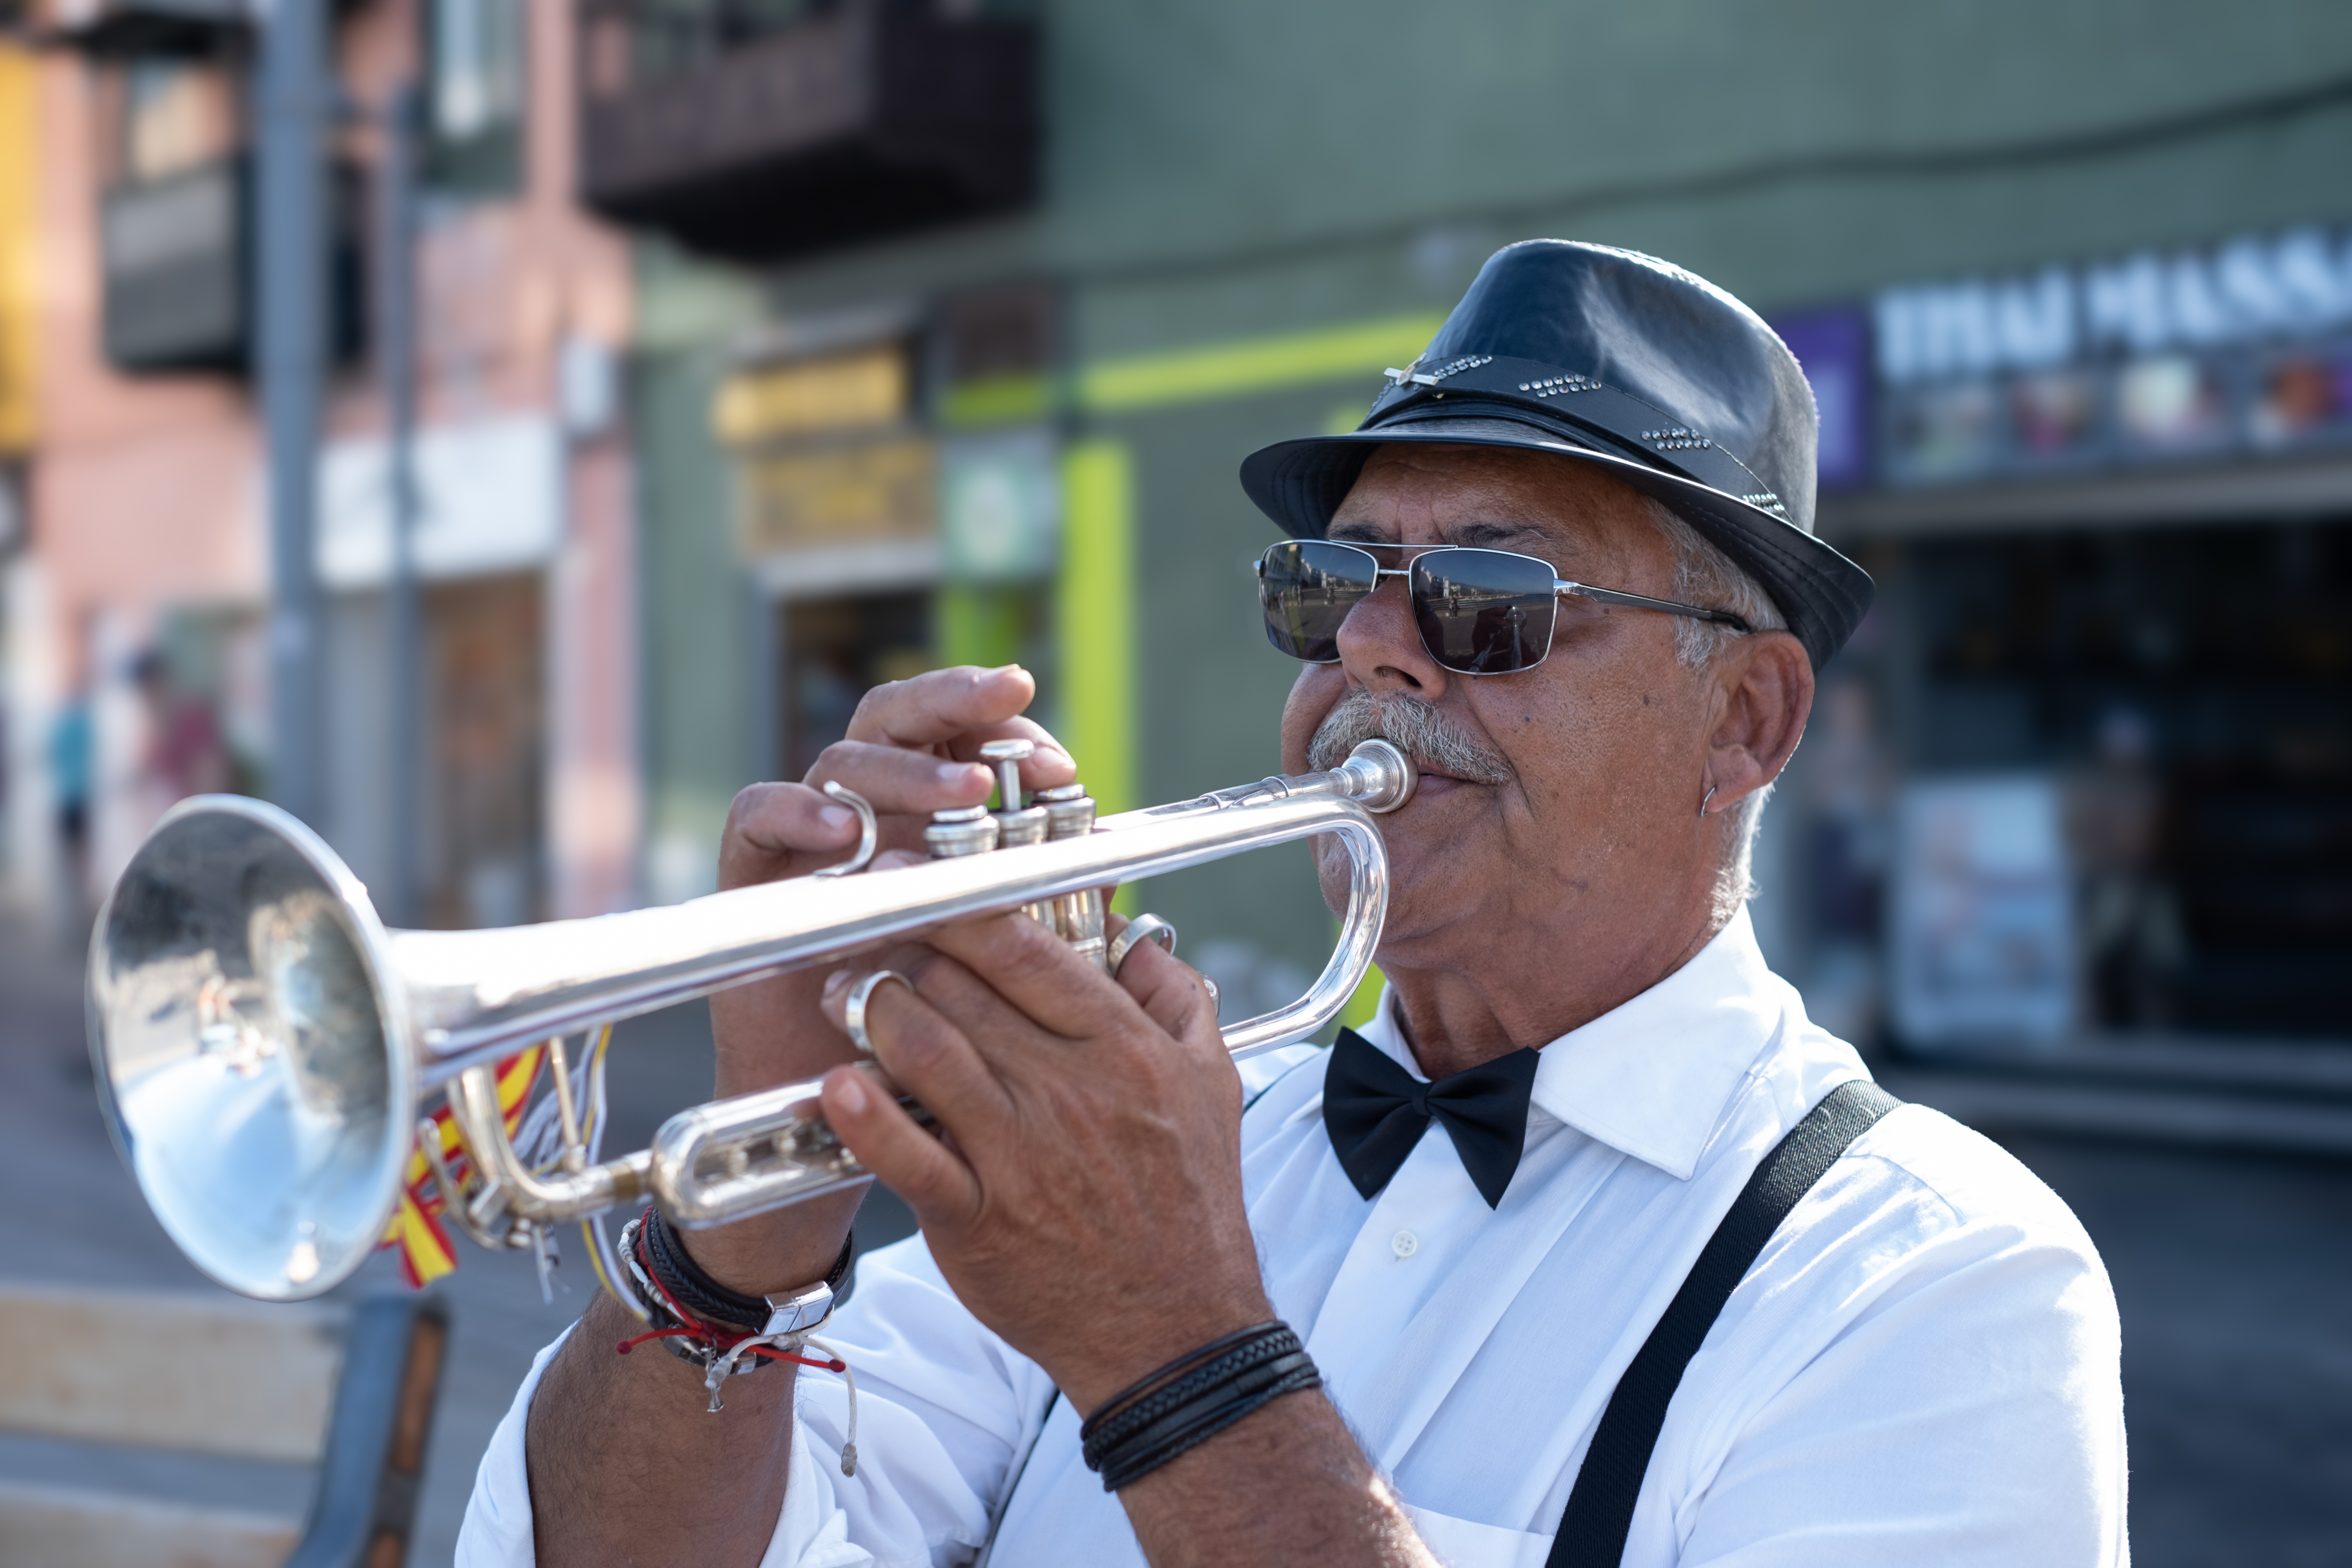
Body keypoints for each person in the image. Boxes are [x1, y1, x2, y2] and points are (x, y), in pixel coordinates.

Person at [463, 242, 2126, 1566]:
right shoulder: (1178, 1142)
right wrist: (745, 1222)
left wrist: (1179, 1351)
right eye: (1330, 588)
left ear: (1744, 724)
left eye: (1490, 599)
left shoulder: (1941, 1287)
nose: (1374, 653)